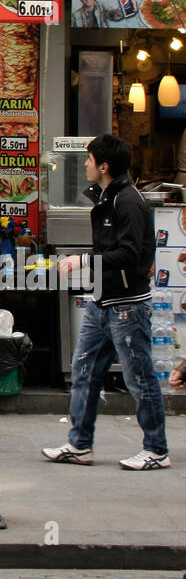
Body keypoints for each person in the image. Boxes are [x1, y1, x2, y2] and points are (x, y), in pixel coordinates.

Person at [44, 133, 169, 469]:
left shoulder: (127, 201)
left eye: (89, 160)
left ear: (104, 166)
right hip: (104, 300)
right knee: (83, 368)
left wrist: (81, 261)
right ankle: (80, 444)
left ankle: (156, 449)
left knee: (138, 377)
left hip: (127, 303)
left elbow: (128, 253)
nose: (84, 164)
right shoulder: (107, 197)